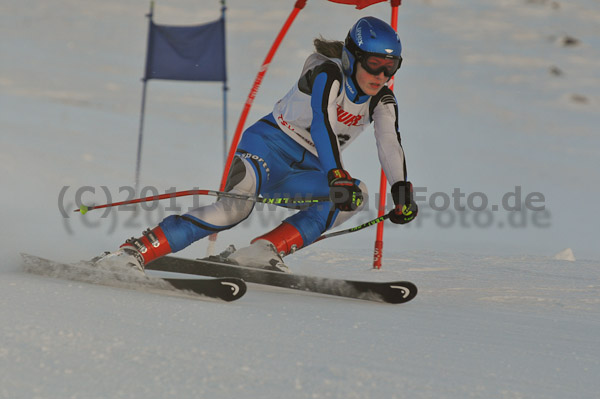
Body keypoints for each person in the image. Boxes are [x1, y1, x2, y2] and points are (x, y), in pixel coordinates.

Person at [95, 16, 418, 273]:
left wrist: (401, 190)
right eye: (375, 63)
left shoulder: (383, 100)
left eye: (391, 67)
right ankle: (133, 252)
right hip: (265, 149)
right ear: (352, 57)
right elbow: (321, 122)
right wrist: (335, 174)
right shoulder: (328, 74)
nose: (382, 74)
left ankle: (263, 251)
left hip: (301, 172)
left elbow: (389, 142)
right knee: (233, 210)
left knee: (355, 195)